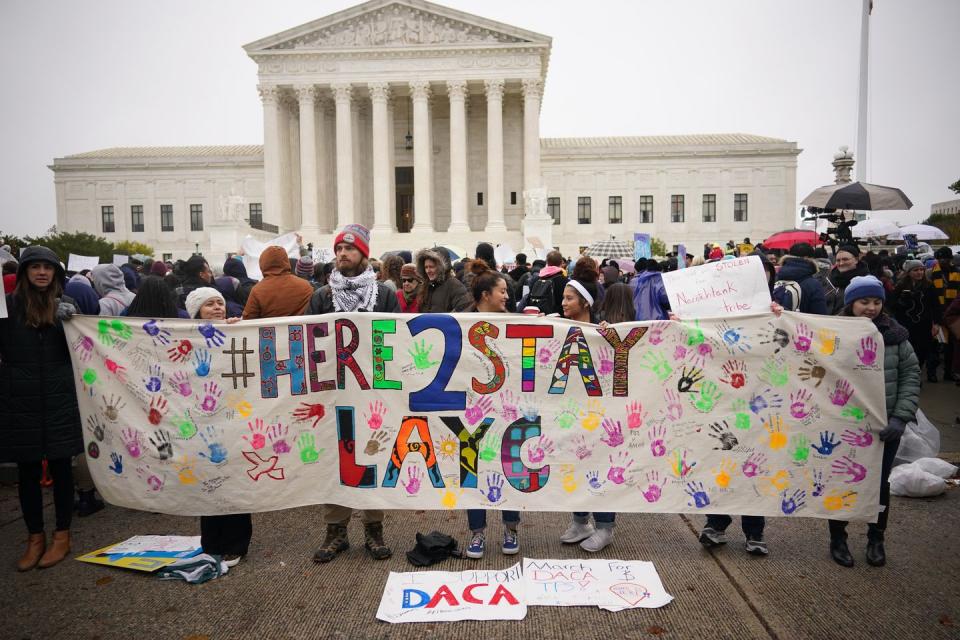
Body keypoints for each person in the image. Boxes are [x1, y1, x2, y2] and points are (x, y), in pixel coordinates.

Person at [306, 224, 396, 563]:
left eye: (350, 249)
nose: (342, 255)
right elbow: (304, 341)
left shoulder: (384, 295)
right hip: (335, 390)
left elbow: (397, 339)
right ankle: (336, 531)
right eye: (339, 249)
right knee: (337, 460)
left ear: (364, 254)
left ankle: (374, 530)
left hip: (373, 391)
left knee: (373, 456)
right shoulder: (321, 296)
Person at [827, 275, 920, 567]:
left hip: (884, 427)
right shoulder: (832, 333)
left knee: (879, 484)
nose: (871, 307)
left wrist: (901, 417)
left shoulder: (896, 336)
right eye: (864, 301)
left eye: (877, 301)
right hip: (844, 425)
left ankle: (876, 538)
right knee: (841, 482)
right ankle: (838, 538)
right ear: (850, 303)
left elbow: (910, 376)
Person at [1, 246, 83, 570]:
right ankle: (35, 537)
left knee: (62, 469)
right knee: (28, 471)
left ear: (55, 274)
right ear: (24, 273)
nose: (41, 273)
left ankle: (62, 534)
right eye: (34, 267)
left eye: (47, 268)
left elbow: (80, 348)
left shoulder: (66, 306)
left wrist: (70, 321)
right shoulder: (7, 308)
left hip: (59, 397)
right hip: (20, 400)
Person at [463, 261, 521, 559]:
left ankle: (511, 528)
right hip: (472, 412)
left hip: (507, 411)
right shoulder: (459, 324)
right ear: (486, 294)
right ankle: (477, 533)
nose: (507, 296)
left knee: (508, 467)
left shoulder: (516, 324)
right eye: (502, 291)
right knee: (473, 469)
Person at [556, 271, 617, 552]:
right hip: (569, 411)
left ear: (585, 303)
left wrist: (608, 336)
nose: (563, 302)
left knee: (598, 466)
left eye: (569, 298)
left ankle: (606, 527)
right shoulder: (558, 327)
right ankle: (580, 521)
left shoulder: (601, 333)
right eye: (564, 297)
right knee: (576, 464)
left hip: (597, 412)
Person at [184, 288, 245, 565]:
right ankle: (211, 542)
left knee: (233, 481)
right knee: (208, 481)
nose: (218, 308)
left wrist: (236, 328)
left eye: (220, 302)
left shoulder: (234, 331)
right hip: (202, 420)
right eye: (209, 305)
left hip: (231, 417)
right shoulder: (184, 336)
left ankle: (237, 544)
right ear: (197, 311)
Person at [891, 259, 942, 374]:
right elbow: (891, 306)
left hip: (924, 324)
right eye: (916, 270)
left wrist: (937, 323)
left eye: (921, 270)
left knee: (922, 351)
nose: (919, 273)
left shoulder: (929, 286)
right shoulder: (900, 286)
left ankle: (916, 373)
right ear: (908, 272)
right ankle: (910, 374)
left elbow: (936, 306)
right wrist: (902, 301)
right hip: (906, 325)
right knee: (908, 352)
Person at [242, 247, 314, 320]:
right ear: (286, 261)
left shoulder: (257, 290)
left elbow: (248, 319)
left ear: (263, 263)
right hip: (298, 330)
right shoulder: (306, 286)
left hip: (269, 331)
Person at [929, 247, 959, 382]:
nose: (942, 261)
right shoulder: (930, 273)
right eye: (940, 258)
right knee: (935, 345)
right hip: (936, 313)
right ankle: (932, 373)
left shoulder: (957, 273)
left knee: (951, 347)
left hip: (952, 315)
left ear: (950, 259)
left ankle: (948, 372)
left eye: (945, 258)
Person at [772, 243, 828, 314]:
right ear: (808, 257)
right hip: (802, 324)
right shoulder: (814, 284)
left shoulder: (776, 278)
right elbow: (820, 315)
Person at [415, 246, 470, 313]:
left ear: (442, 267)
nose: (428, 271)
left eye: (431, 267)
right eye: (426, 267)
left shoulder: (455, 286)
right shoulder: (426, 286)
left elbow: (463, 311)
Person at [824, 245, 868, 314]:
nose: (841, 263)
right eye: (838, 260)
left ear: (856, 260)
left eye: (845, 259)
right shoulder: (829, 279)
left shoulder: (866, 282)